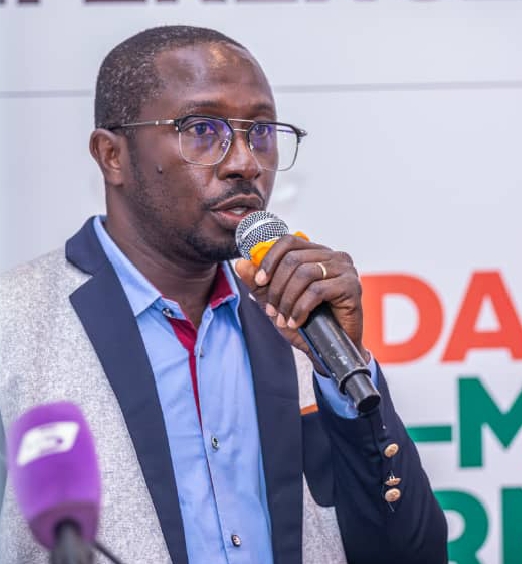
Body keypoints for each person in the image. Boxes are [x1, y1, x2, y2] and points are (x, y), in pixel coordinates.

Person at [0, 25, 448, 564]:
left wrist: (343, 375)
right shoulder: (15, 325)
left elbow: (412, 553)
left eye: (261, 132)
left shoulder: (303, 318)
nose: (245, 162)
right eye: (202, 129)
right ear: (111, 155)